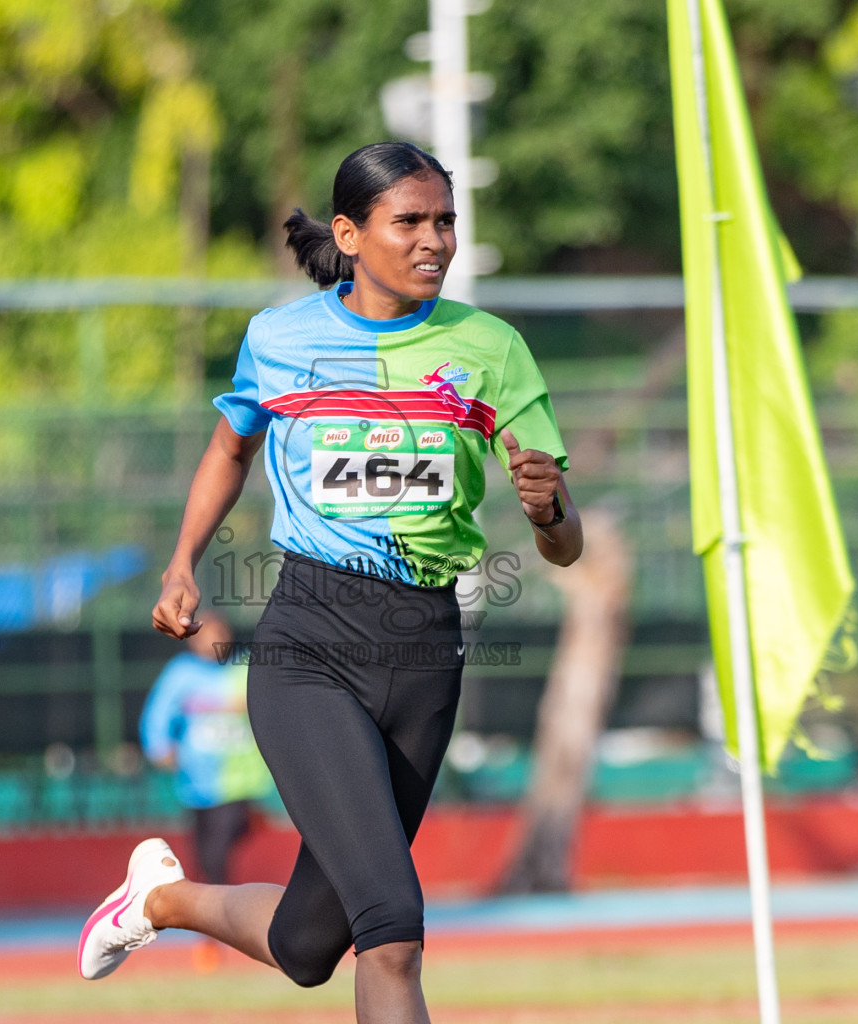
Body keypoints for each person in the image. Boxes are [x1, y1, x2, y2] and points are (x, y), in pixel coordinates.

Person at [78, 142, 582, 1023]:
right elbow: (231, 445)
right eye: (410, 222)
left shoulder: (490, 348)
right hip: (310, 643)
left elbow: (565, 545)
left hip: (427, 652)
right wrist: (181, 561)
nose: (435, 242)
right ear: (349, 234)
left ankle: (159, 901)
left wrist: (546, 512)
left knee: (312, 945)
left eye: (445, 222)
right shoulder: (282, 339)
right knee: (392, 928)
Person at [140, 613, 271, 969]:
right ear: (194, 640)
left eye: (220, 632)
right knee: (203, 864)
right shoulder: (181, 675)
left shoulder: (245, 668)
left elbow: (276, 706)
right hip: (198, 788)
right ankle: (213, 931)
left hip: (241, 786)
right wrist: (160, 748)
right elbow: (156, 716)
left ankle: (218, 933)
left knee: (217, 856)